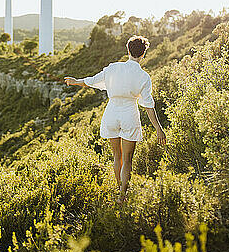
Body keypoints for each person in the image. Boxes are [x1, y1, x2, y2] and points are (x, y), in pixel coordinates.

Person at [64, 35, 167, 204]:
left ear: (128, 51)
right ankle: (122, 196)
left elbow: (92, 81)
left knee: (116, 156)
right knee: (127, 160)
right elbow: (149, 105)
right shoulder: (143, 76)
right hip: (129, 116)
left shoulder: (113, 68)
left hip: (111, 114)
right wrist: (158, 128)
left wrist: (75, 81)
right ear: (143, 54)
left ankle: (119, 189)